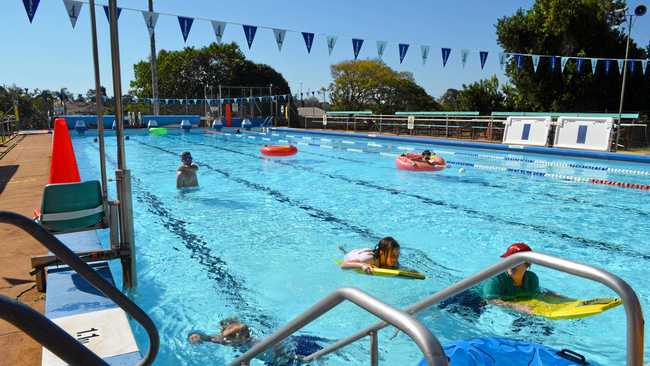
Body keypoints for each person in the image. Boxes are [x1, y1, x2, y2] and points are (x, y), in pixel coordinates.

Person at [188, 318, 324, 366]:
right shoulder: (235, 340)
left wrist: (247, 360)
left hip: (293, 352)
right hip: (277, 358)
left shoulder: (256, 345)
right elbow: (218, 339)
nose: (224, 340)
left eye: (227, 338)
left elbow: (281, 351)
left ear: (240, 338)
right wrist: (202, 337)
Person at [481, 242, 541, 314]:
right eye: (509, 260)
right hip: (474, 298)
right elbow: (490, 301)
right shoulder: (496, 280)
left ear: (527, 264)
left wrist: (555, 295)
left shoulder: (532, 279)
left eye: (516, 261)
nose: (511, 264)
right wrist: (515, 306)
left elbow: (538, 293)